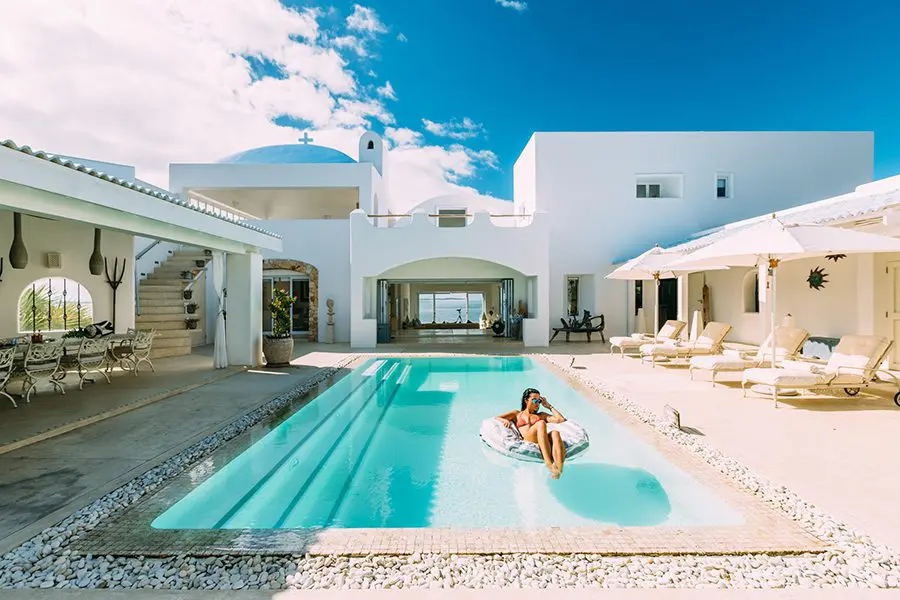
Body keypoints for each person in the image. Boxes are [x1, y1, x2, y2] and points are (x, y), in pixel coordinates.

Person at [495, 388, 567, 479]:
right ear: (526, 400)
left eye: (539, 401)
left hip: (542, 439)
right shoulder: (517, 414)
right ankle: (549, 464)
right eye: (534, 400)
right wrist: (505, 420)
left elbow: (561, 420)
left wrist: (549, 406)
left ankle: (559, 470)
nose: (537, 403)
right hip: (528, 439)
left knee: (555, 433)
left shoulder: (541, 415)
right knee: (540, 423)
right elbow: (497, 418)